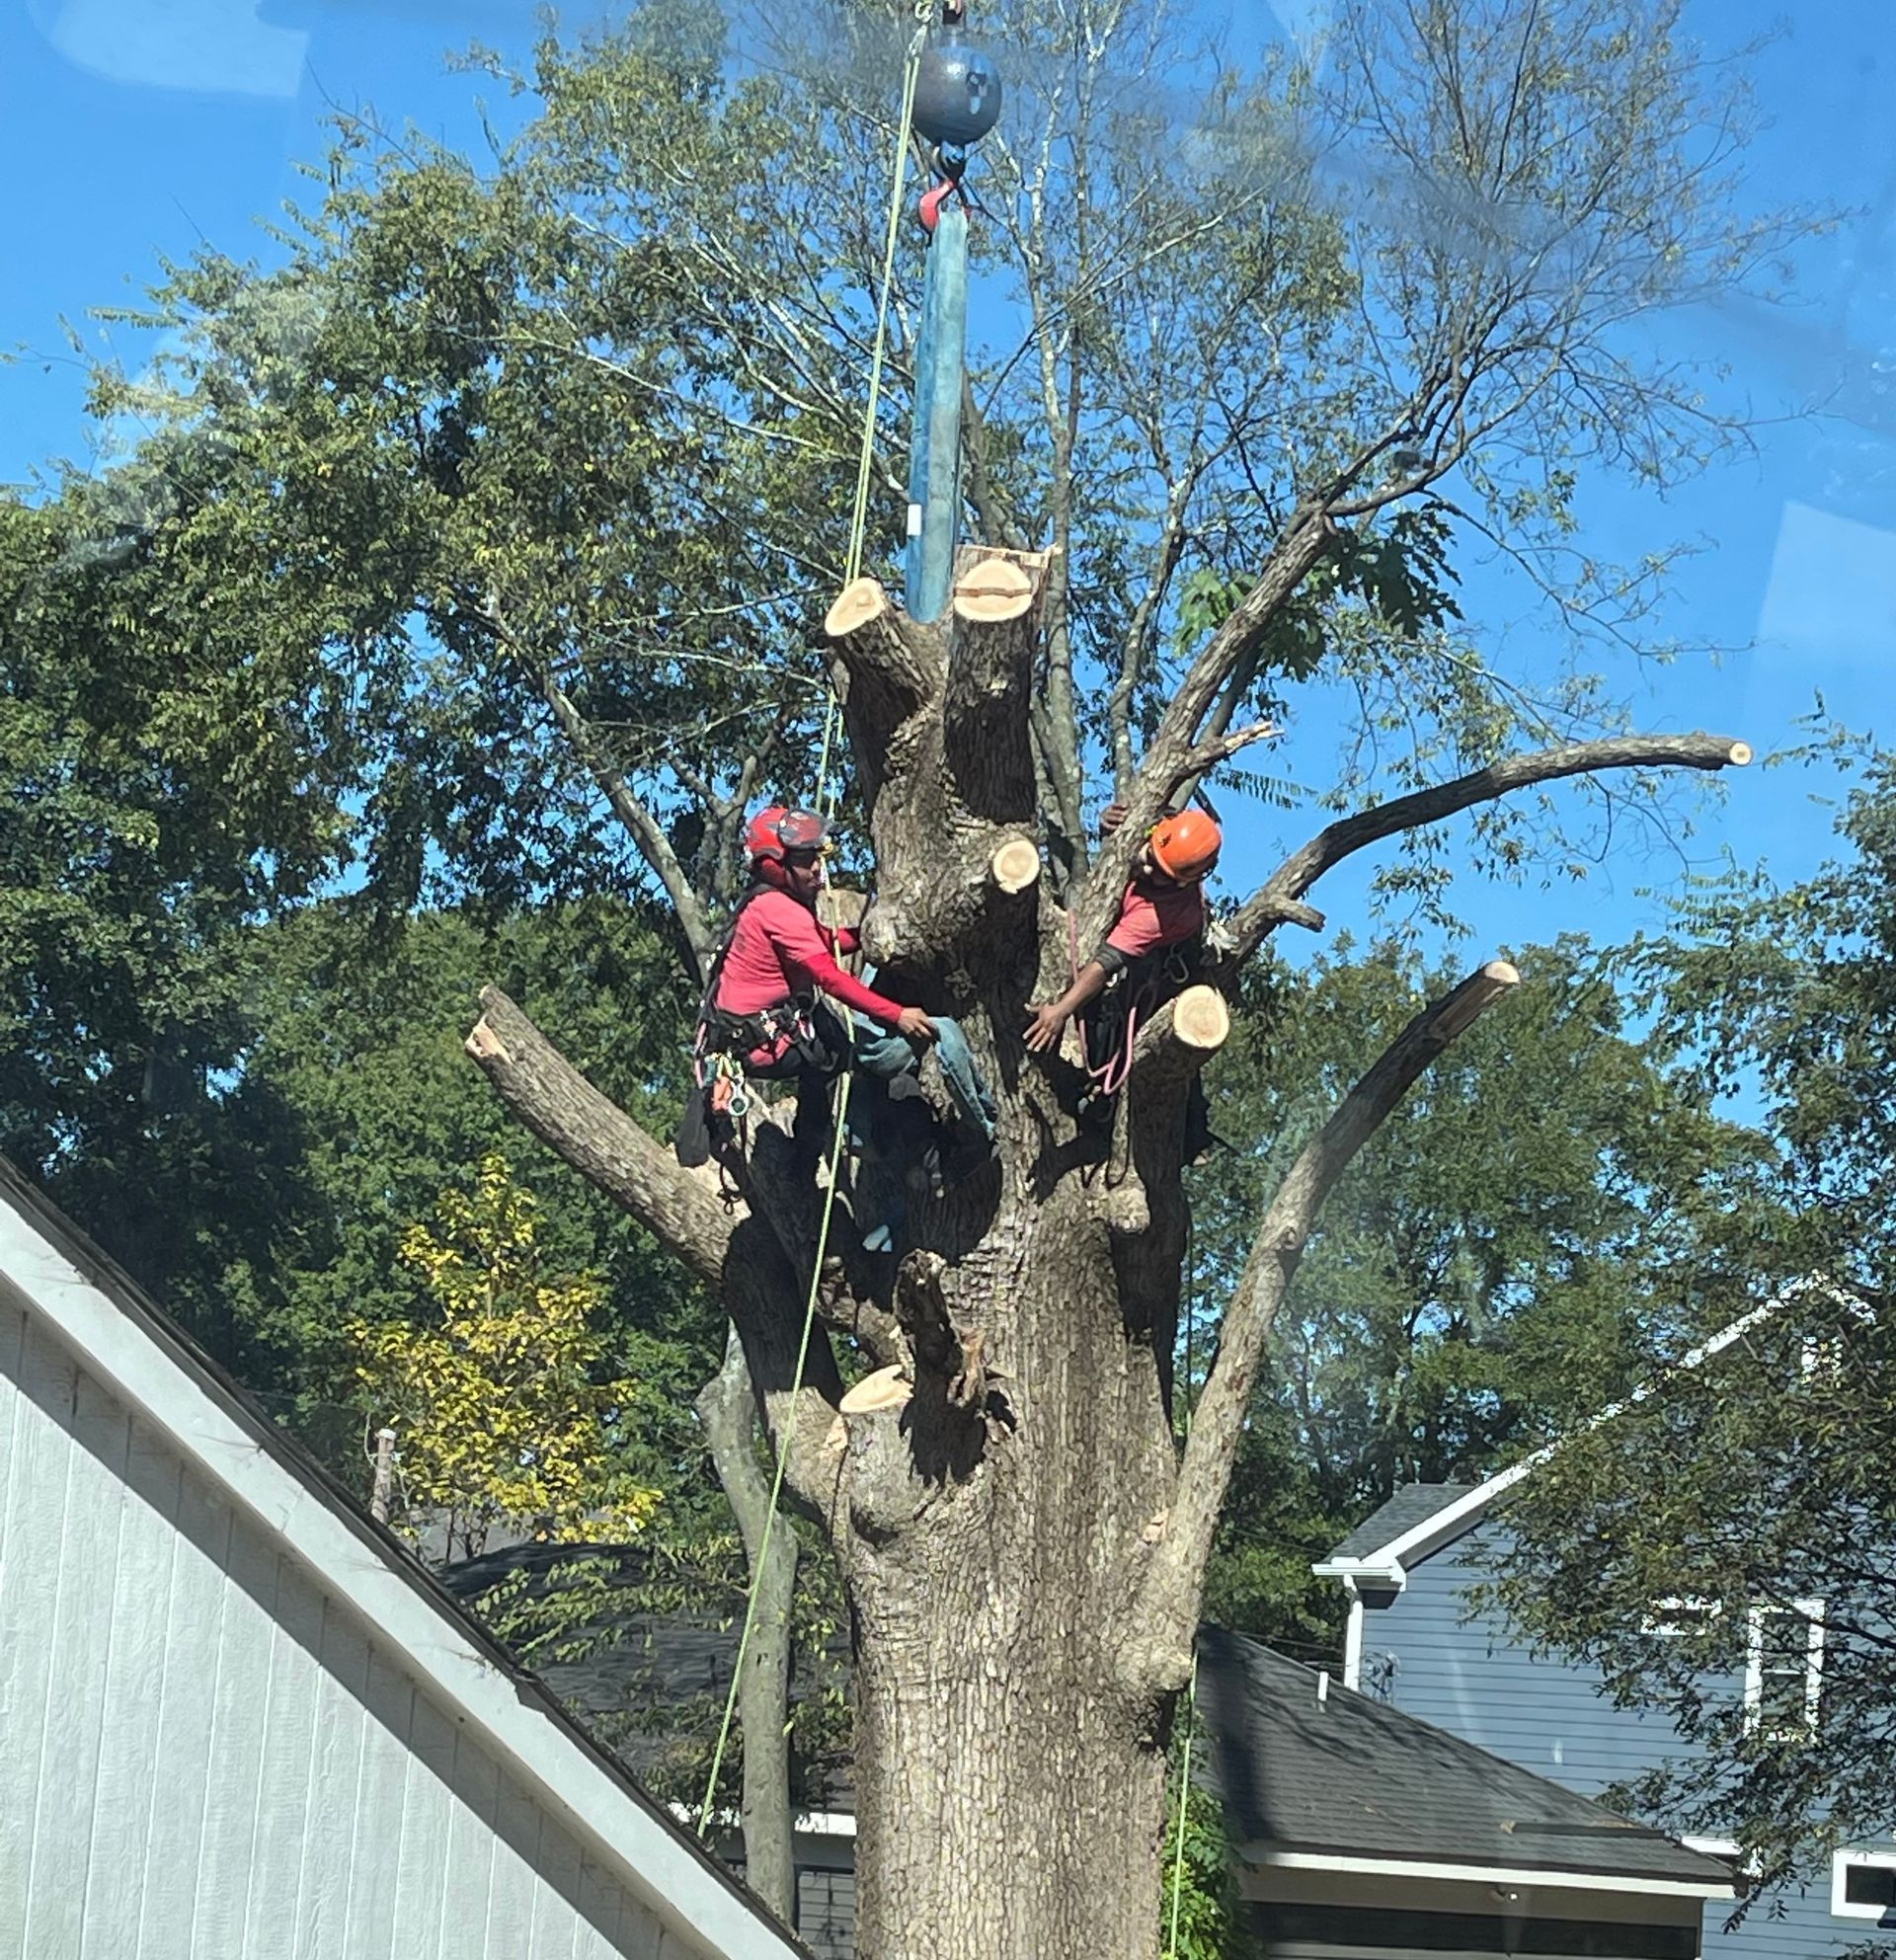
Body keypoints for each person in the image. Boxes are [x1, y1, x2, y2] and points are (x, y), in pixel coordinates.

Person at [691, 805, 995, 1243]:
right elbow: (829, 976)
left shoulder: (769, 903)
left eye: (819, 856)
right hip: (759, 1043)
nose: (818, 869)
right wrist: (897, 1015)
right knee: (874, 1056)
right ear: (776, 866)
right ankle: (931, 1151)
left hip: (747, 1038)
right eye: (807, 860)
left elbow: (825, 943)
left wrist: (867, 935)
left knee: (831, 1057)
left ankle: (808, 1150)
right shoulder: (779, 910)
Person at [1024, 806, 1221, 1062]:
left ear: (1183, 881)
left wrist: (1062, 1010)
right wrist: (1108, 827)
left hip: (1147, 981)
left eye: (1160, 872)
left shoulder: (1161, 915)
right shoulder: (1173, 830)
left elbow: (1106, 962)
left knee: (1106, 1038)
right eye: (1151, 855)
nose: (1147, 868)